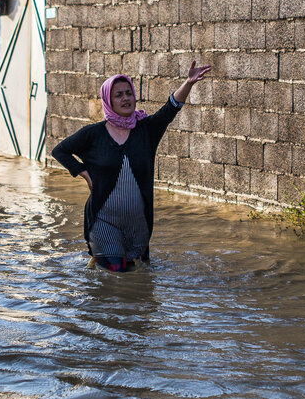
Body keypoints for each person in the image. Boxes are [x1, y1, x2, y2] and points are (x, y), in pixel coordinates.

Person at [51, 61, 211, 272]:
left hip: (138, 224)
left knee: (138, 277)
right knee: (119, 273)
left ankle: (99, 264)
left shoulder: (147, 130)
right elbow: (59, 151)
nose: (126, 98)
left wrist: (188, 83)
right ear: (108, 100)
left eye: (129, 93)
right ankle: (101, 260)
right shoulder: (93, 134)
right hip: (103, 220)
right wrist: (84, 174)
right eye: (118, 95)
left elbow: (170, 108)